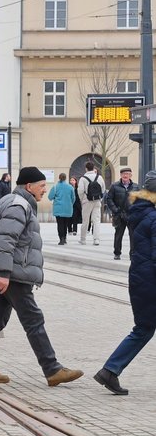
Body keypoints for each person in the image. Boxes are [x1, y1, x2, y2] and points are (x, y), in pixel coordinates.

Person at [0, 166, 83, 387]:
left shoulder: (16, 202)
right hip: (13, 273)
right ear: (29, 187)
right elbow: (5, 241)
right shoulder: (18, 205)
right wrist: (3, 274)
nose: (44, 190)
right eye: (41, 186)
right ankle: (52, 369)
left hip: (11, 271)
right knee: (33, 319)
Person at [94, 170, 156, 395]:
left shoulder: (140, 212)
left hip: (140, 278)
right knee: (143, 330)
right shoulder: (153, 217)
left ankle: (110, 370)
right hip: (150, 281)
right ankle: (110, 370)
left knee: (144, 329)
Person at [104, 167, 140, 260]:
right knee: (118, 235)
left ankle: (133, 254)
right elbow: (109, 199)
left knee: (133, 235)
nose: (125, 175)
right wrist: (115, 210)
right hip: (119, 215)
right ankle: (117, 253)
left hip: (131, 215)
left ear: (130, 175)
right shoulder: (114, 186)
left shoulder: (136, 187)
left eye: (127, 174)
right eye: (123, 174)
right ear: (120, 175)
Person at [77, 161, 105, 246]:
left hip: (87, 201)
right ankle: (96, 239)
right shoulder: (99, 177)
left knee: (85, 220)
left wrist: (82, 200)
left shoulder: (83, 178)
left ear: (86, 168)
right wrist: (100, 198)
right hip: (97, 201)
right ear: (94, 168)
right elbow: (103, 189)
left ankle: (83, 239)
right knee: (96, 220)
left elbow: (80, 191)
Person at [47, 173, 75, 245]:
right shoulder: (70, 187)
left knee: (60, 224)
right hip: (67, 208)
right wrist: (70, 203)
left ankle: (61, 239)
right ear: (65, 178)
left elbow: (50, 197)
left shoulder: (55, 187)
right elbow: (73, 198)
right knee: (65, 224)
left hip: (58, 208)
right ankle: (64, 238)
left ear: (59, 178)